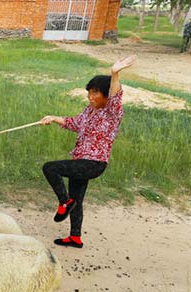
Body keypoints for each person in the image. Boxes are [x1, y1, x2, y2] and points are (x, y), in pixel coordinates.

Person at [39, 55, 137, 248]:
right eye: (89, 93)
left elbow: (116, 96)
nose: (91, 97)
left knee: (50, 168)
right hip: (81, 160)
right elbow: (75, 123)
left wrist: (114, 73)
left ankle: (64, 203)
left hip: (93, 163)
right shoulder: (88, 110)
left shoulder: (112, 112)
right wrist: (53, 118)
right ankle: (75, 237)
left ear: (106, 96)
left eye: (95, 93)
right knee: (77, 199)